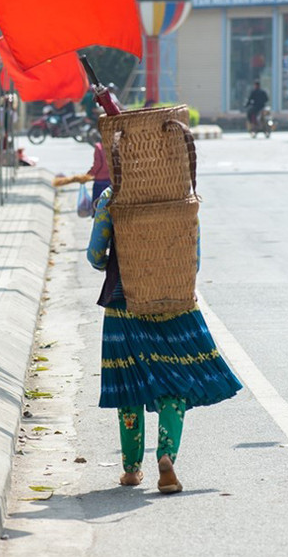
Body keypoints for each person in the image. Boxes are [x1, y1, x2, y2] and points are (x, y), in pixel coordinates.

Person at [87, 186, 242, 493]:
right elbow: (193, 261)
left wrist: (118, 264)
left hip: (123, 305)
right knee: (174, 382)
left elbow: (94, 255)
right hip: (173, 305)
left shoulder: (112, 196)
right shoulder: (184, 198)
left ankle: (131, 470)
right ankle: (166, 456)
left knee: (128, 386)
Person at [87, 142, 110, 214]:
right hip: (111, 182)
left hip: (99, 183)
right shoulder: (115, 145)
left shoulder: (99, 146)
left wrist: (89, 174)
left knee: (98, 209)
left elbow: (98, 164)